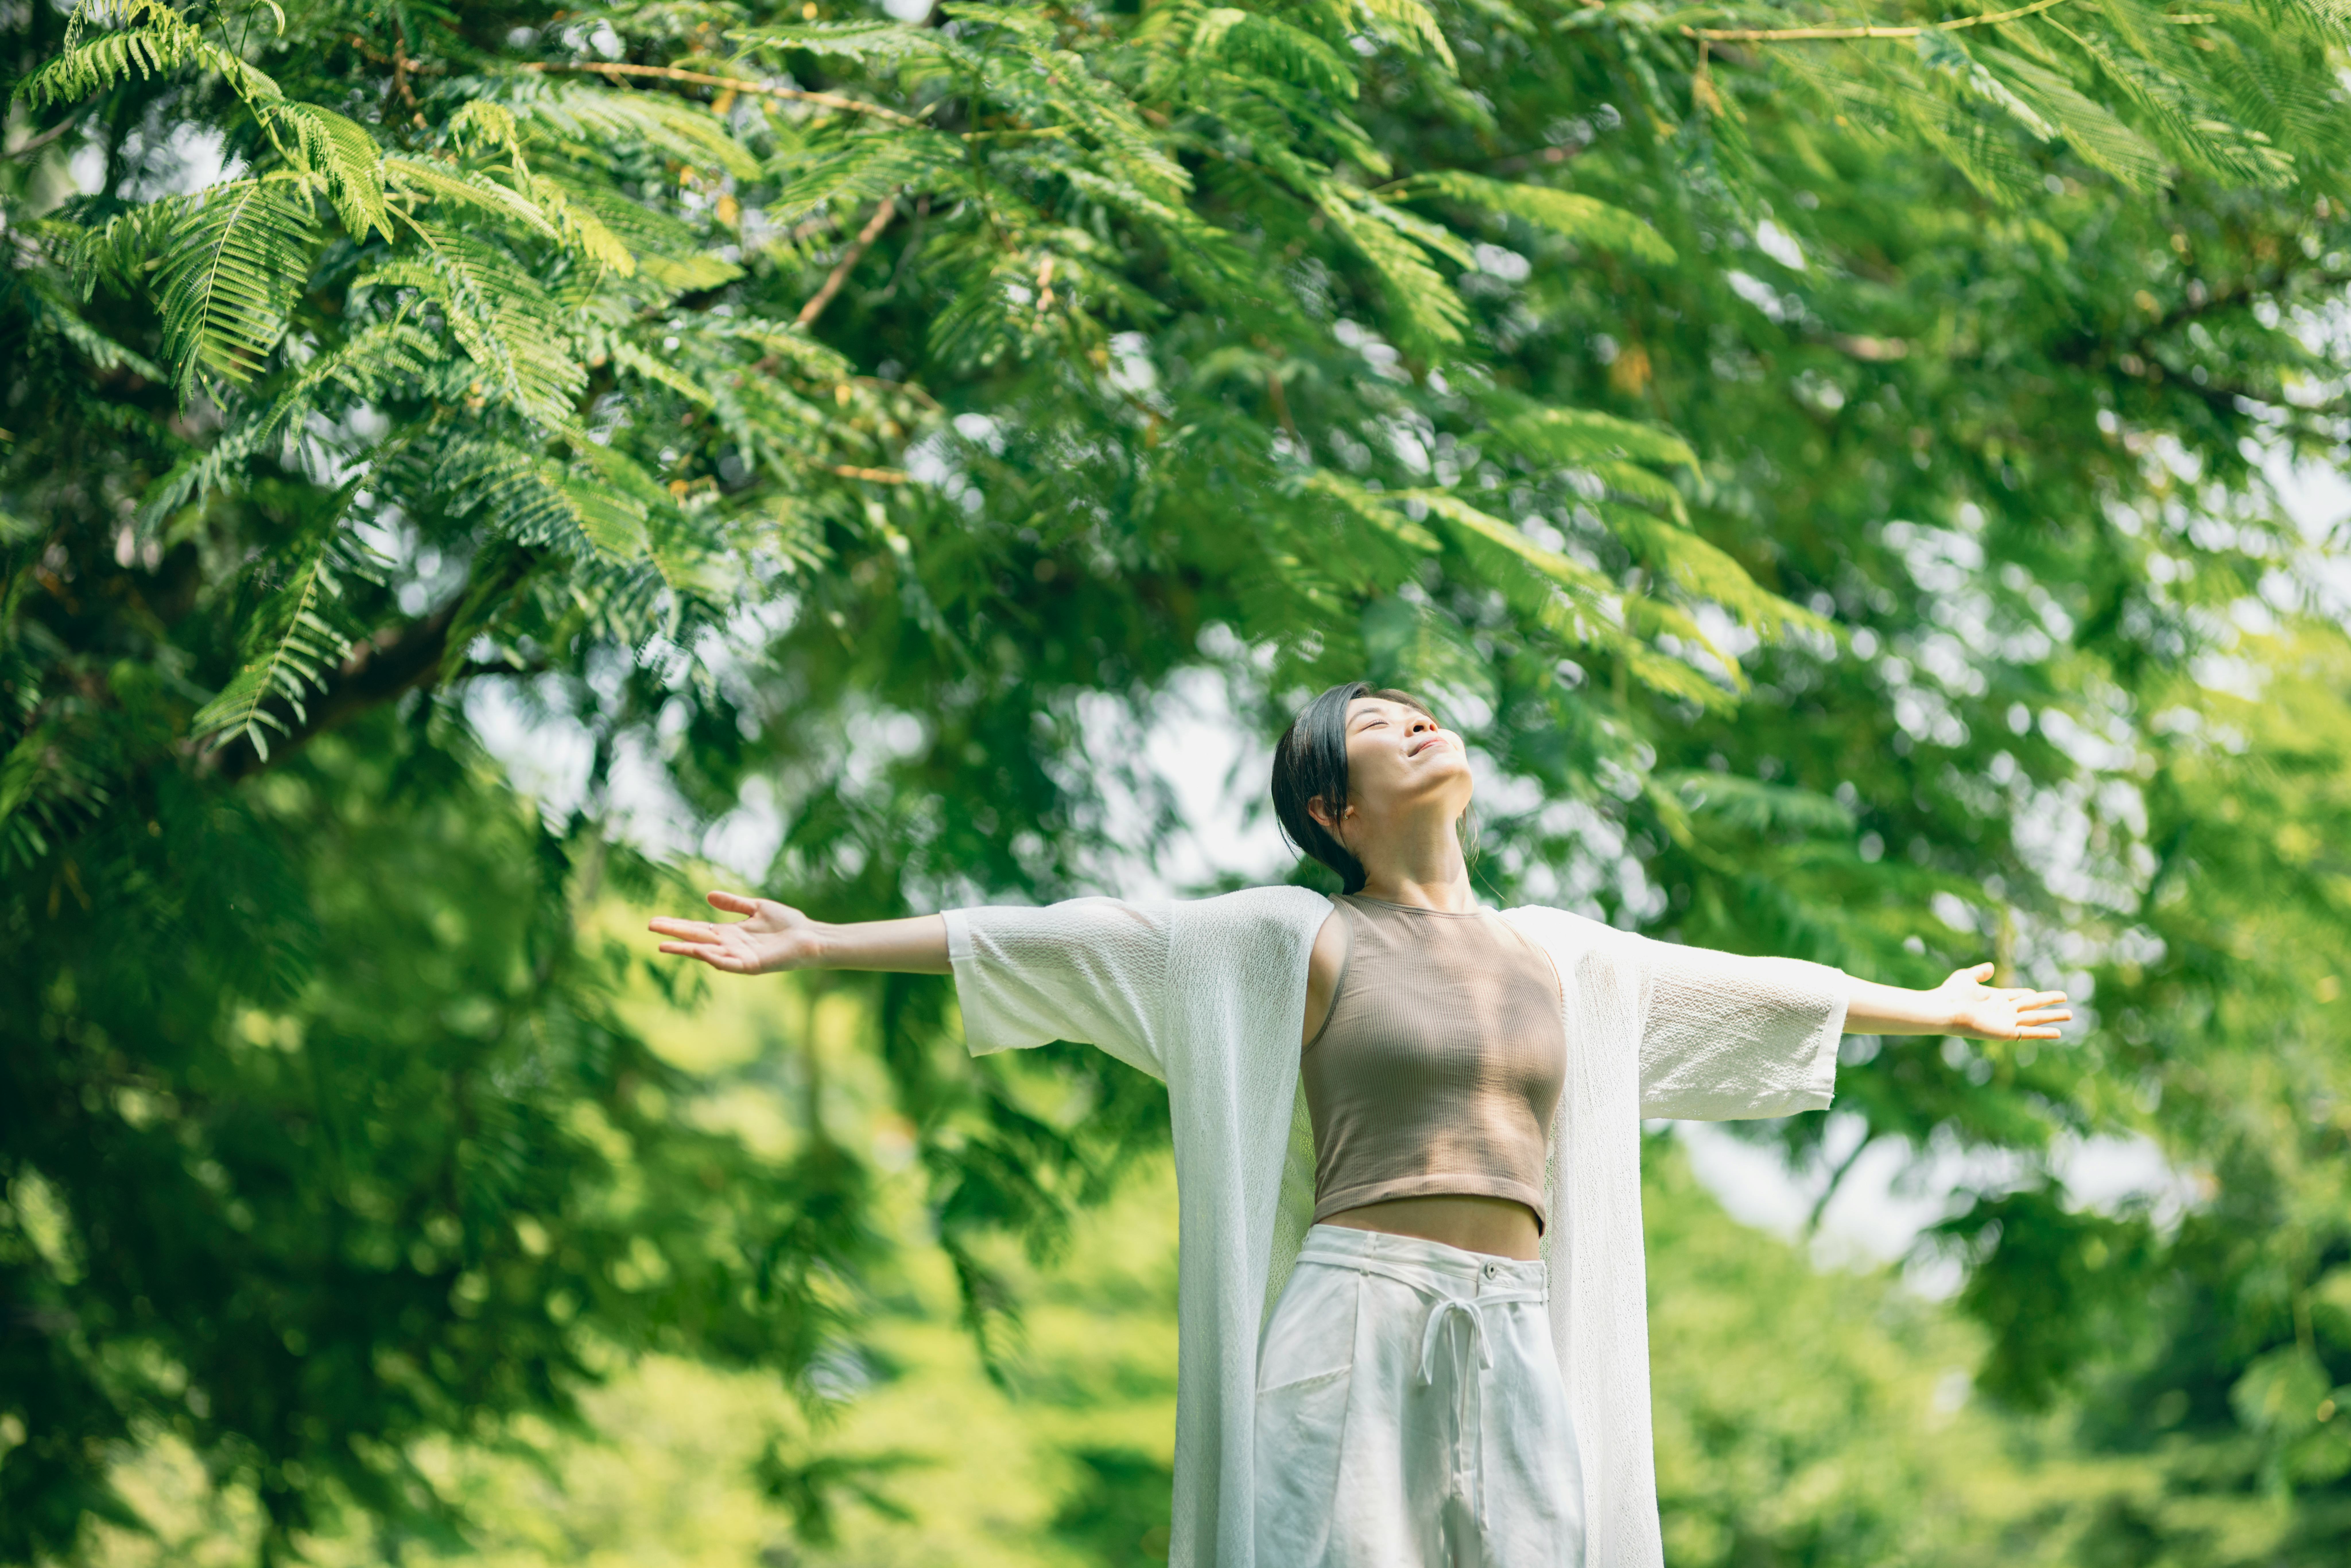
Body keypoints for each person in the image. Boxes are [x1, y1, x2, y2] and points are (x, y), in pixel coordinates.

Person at [649, 682, 2068, 1568]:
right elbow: (1076, 936)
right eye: (1383, 724)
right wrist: (824, 943)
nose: (1419, 719)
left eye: (1421, 708)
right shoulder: (1290, 938)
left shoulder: (1560, 953)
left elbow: (1744, 995)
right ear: (1335, 805)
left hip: (1514, 1322)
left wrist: (1927, 1010)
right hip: (1355, 1318)